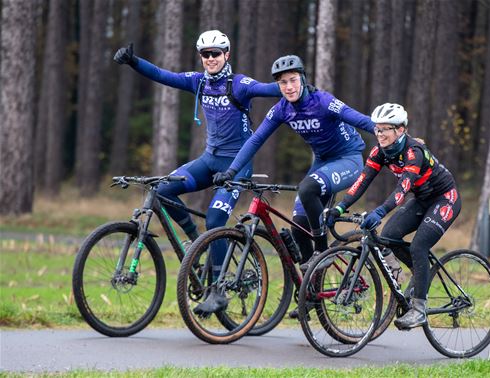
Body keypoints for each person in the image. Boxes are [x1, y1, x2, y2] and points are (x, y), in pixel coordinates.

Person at [113, 30, 281, 315]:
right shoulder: (198, 81)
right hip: (209, 160)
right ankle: (196, 243)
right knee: (163, 190)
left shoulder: (239, 84)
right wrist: (134, 61)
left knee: (215, 218)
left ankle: (217, 289)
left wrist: (297, 86)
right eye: (205, 54)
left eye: (216, 53)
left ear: (227, 55)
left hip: (236, 166)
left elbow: (271, 88)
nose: (210, 59)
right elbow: (163, 75)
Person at [213, 55, 376, 317]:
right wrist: (231, 170)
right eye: (282, 83)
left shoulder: (321, 100)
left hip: (348, 158)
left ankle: (323, 252)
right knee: (299, 224)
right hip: (323, 162)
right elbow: (255, 141)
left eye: (292, 80)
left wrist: (395, 134)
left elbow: (358, 119)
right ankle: (311, 296)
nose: (288, 87)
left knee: (307, 188)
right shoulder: (281, 109)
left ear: (302, 79)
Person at [325, 103, 461, 329]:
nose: (379, 134)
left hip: (445, 198)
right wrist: (340, 207)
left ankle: (419, 309)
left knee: (418, 246)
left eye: (385, 129)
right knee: (388, 236)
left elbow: (403, 187)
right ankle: (420, 275)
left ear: (400, 130)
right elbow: (362, 180)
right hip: (421, 199)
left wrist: (380, 211)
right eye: (377, 129)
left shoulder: (413, 152)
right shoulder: (379, 151)